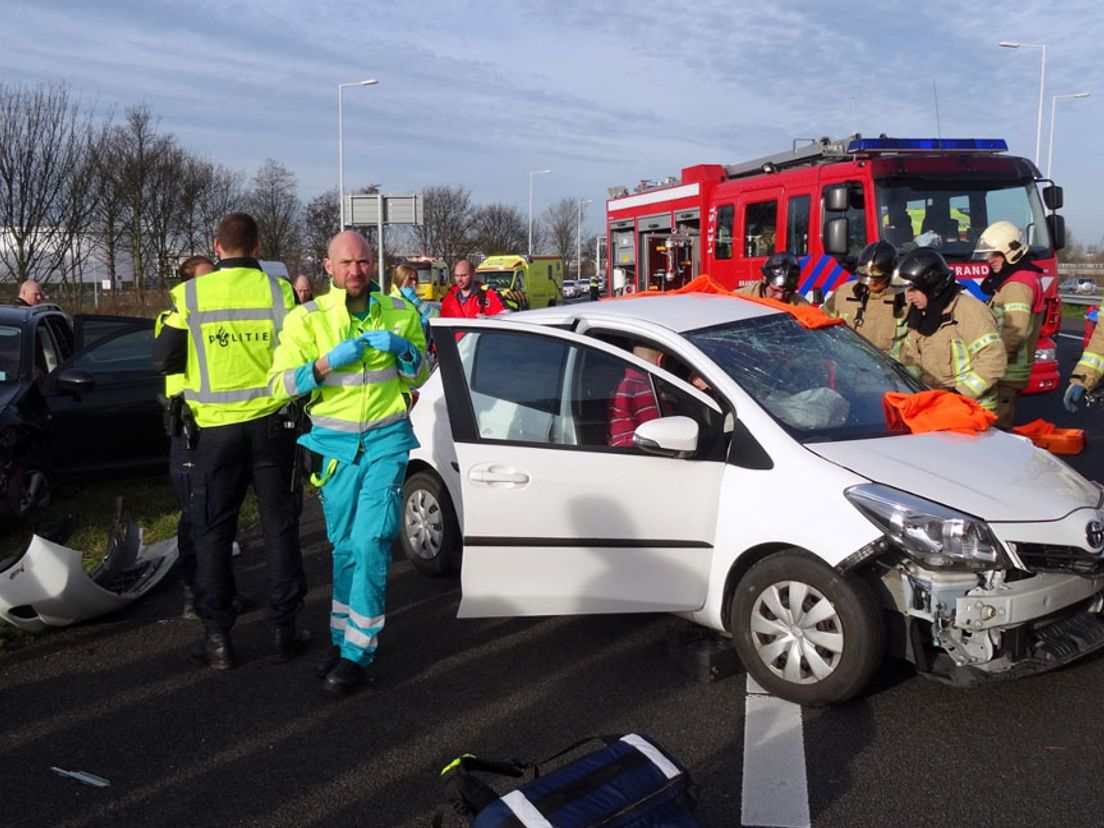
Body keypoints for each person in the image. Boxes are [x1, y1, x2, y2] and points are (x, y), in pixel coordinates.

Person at [269, 231, 429, 697]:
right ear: (328, 267)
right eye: (346, 263)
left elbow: (418, 373)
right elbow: (280, 384)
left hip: (386, 440)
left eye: (362, 262)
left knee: (372, 540)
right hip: (335, 450)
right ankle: (341, 641)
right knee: (343, 548)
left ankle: (359, 652)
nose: (356, 270)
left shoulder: (401, 313)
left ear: (373, 263)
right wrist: (324, 364)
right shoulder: (307, 319)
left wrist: (406, 351)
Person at [152, 212, 307, 671]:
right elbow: (298, 349)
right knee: (280, 527)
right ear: (258, 248)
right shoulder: (279, 292)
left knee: (213, 532)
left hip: (213, 432)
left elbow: (164, 360)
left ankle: (218, 638)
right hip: (271, 425)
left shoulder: (191, 294)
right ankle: (284, 630)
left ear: (217, 248)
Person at [158, 254, 214, 619]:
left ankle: (218, 591)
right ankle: (194, 593)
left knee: (217, 513)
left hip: (214, 422)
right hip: (188, 425)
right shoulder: (173, 319)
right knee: (194, 512)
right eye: (206, 280)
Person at [897, 248, 1006, 412]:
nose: (909, 297)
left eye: (913, 289)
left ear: (931, 285)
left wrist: (960, 396)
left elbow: (993, 360)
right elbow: (911, 359)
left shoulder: (969, 311)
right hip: (938, 406)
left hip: (973, 409)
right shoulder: (921, 315)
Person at [973, 221, 1045, 429]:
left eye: (995, 254)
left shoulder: (1016, 285)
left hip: (1006, 373)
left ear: (1011, 253)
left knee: (995, 433)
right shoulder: (1019, 278)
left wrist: (990, 365)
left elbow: (1014, 332)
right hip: (1007, 371)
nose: (990, 260)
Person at [823, 241, 907, 357]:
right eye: (866, 279)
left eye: (878, 280)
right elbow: (823, 324)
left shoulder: (905, 301)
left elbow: (909, 350)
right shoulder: (843, 293)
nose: (871, 284)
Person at [608, 345, 663, 447]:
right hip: (637, 452)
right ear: (660, 360)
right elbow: (659, 431)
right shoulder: (641, 389)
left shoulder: (624, 385)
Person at [440, 258, 508, 318]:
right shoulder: (450, 297)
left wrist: (489, 319)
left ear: (473, 274)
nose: (459, 280)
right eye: (457, 276)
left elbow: (507, 315)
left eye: (463, 275)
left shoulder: (487, 294)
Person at [736, 252, 809, 305]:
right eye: (774, 290)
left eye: (787, 292)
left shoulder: (802, 306)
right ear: (764, 279)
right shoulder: (739, 299)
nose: (780, 297)